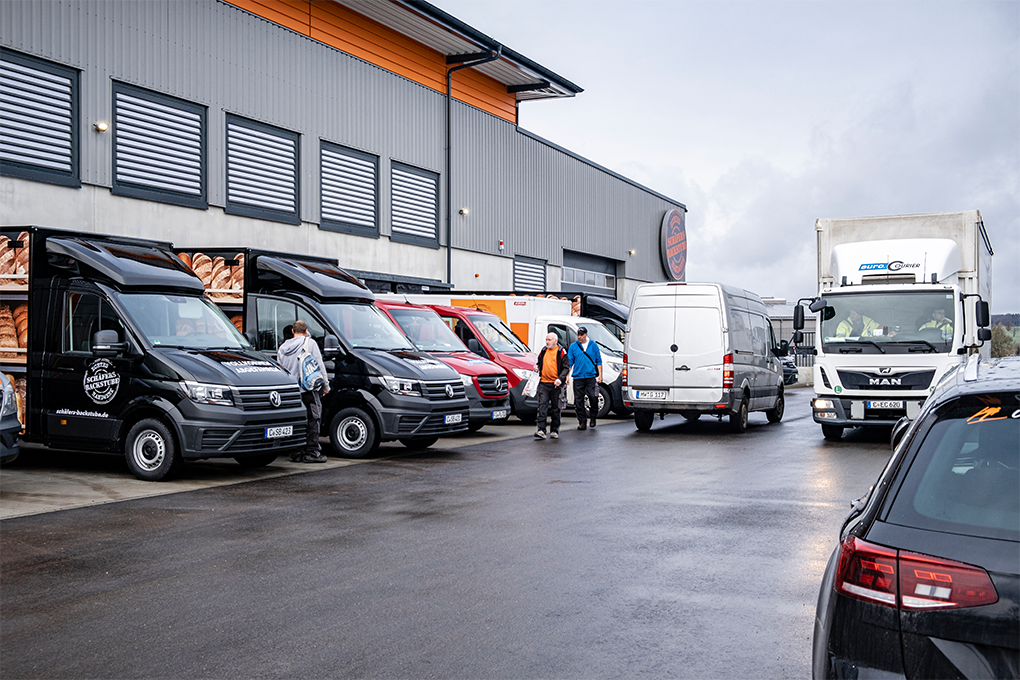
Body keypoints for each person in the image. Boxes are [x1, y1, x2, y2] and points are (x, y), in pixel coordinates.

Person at [277, 321, 330, 463]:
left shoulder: (282, 348)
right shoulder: (310, 343)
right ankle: (312, 452)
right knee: (313, 419)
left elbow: (280, 370)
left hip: (291, 391)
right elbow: (319, 365)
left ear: (293, 332)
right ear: (306, 331)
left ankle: (296, 452)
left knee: (295, 421)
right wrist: (325, 386)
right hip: (309, 388)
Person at [533, 332, 568, 440]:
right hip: (543, 383)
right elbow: (539, 362)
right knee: (542, 406)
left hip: (556, 385)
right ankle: (541, 430)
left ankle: (554, 430)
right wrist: (537, 366)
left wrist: (560, 379)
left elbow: (566, 367)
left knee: (555, 408)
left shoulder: (561, 352)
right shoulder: (544, 350)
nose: (547, 342)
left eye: (549, 340)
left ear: (555, 341)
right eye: (546, 340)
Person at [568, 326, 602, 430]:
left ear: (586, 335)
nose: (579, 337)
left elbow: (598, 361)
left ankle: (593, 416)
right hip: (578, 377)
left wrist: (600, 375)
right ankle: (582, 421)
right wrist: (566, 376)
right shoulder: (573, 347)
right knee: (578, 400)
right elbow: (569, 362)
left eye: (581, 335)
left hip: (590, 376)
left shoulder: (593, 345)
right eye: (578, 335)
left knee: (593, 397)